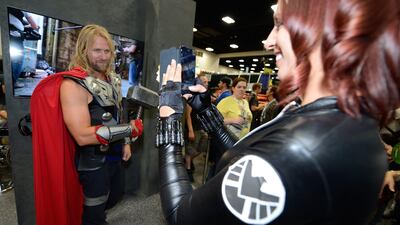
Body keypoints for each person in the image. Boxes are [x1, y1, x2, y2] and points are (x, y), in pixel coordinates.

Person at [156, 0, 400, 224]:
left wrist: (169, 116)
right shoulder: (341, 120)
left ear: (321, 30)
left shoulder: (301, 147)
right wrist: (206, 111)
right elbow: (249, 157)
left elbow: (181, 215)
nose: (268, 41)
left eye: (279, 24)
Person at [31, 24, 143, 225]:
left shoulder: (112, 79)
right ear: (84, 51)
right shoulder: (73, 85)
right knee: (94, 210)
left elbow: (118, 112)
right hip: (91, 161)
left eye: (107, 50)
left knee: (116, 194)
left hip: (115, 154)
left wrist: (126, 141)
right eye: (97, 50)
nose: (103, 56)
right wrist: (129, 130)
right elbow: (82, 136)